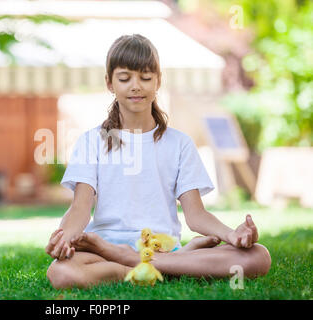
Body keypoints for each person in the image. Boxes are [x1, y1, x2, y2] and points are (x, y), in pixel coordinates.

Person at [45, 34, 271, 289]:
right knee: (61, 273)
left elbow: (196, 216)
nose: (135, 86)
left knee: (258, 256)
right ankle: (169, 265)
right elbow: (80, 209)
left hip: (161, 248)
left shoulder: (179, 144)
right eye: (124, 78)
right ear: (110, 83)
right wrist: (65, 237)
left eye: (145, 77)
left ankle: (139, 262)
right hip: (104, 249)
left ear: (158, 81)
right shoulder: (91, 142)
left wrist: (232, 234)